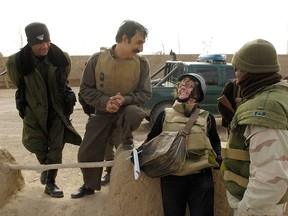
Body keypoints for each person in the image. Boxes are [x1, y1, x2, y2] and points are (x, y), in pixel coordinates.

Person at [71, 20, 151, 198]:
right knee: (87, 152)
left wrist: (125, 100)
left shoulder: (142, 64)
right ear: (125, 38)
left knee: (134, 114)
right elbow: (85, 90)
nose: (141, 48)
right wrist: (105, 101)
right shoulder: (97, 60)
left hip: (126, 113)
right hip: (101, 112)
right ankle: (89, 185)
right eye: (139, 42)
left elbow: (145, 94)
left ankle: (126, 141)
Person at [6, 22, 82, 198]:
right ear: (30, 43)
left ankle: (50, 182)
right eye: (40, 42)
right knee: (35, 143)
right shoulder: (17, 62)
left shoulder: (61, 57)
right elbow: (19, 83)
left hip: (57, 109)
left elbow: (64, 78)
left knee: (56, 146)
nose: (45, 46)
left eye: (47, 41)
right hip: (33, 111)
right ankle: (46, 168)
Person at [220, 39, 288, 215]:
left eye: (238, 69)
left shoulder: (264, 107)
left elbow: (271, 180)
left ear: (250, 71)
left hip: (259, 208)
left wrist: (246, 211)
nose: (236, 74)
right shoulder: (280, 96)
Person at [144, 73, 222, 216]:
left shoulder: (207, 117)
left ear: (198, 92)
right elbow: (150, 140)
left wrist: (218, 157)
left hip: (200, 178)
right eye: (180, 85)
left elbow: (215, 142)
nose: (182, 88)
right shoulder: (164, 115)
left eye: (188, 85)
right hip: (172, 177)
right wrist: (139, 154)